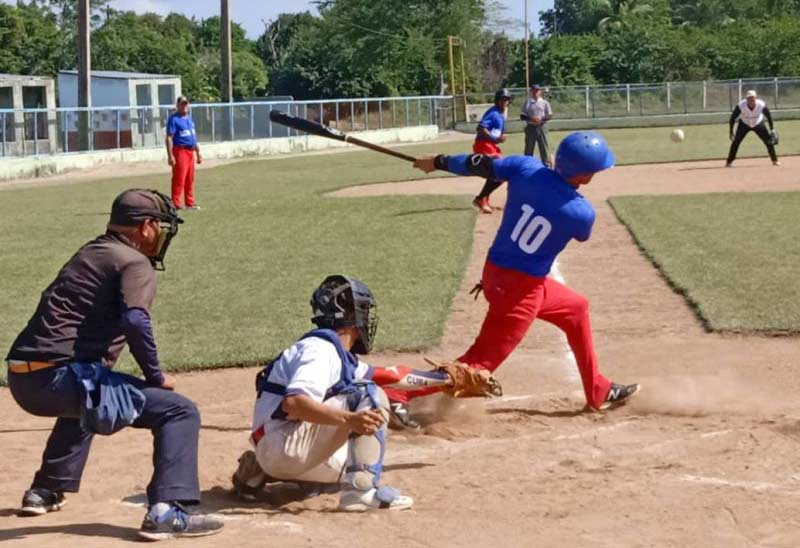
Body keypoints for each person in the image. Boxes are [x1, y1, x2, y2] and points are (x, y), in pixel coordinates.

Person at [5, 189, 223, 541]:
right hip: (57, 380)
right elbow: (136, 321)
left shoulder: (93, 251)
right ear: (146, 227)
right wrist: (155, 376)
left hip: (22, 378)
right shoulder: (134, 262)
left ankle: (45, 491)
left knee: (91, 392)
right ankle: (167, 510)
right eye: (161, 226)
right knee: (179, 411)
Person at [384, 132, 640, 427]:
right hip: (520, 291)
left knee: (576, 308)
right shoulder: (580, 212)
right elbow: (581, 235)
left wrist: (438, 161)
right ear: (585, 175)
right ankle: (397, 393)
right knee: (479, 366)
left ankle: (597, 388)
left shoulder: (524, 167)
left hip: (496, 273)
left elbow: (477, 163)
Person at [232, 275, 480, 510]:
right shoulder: (319, 351)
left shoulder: (333, 353)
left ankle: (258, 472)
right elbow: (294, 403)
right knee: (368, 394)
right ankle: (360, 493)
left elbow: (391, 375)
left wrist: (443, 379)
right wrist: (350, 419)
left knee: (346, 463)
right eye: (363, 310)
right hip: (285, 445)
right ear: (350, 315)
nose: (366, 318)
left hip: (278, 448)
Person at [471, 88, 512, 214]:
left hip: (490, 146)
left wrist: (497, 140)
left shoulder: (500, 114)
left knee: (497, 173)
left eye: (507, 100)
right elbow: (481, 128)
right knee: (500, 171)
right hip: (484, 145)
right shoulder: (493, 113)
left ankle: (484, 199)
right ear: (497, 100)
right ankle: (480, 199)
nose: (505, 102)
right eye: (503, 99)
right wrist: (495, 139)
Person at [166, 95, 202, 210]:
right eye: (182, 104)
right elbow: (169, 138)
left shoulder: (189, 119)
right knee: (179, 178)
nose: (185, 106)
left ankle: (189, 203)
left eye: (186, 104)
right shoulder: (174, 119)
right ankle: (176, 204)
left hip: (190, 151)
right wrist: (170, 155)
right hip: (180, 151)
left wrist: (198, 152)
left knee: (189, 178)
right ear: (177, 105)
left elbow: (193, 137)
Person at [726, 89, 779, 167]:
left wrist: (772, 129)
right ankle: (729, 162)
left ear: (755, 98)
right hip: (744, 123)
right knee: (736, 142)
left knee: (768, 141)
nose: (751, 99)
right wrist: (731, 131)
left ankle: (774, 160)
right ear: (746, 99)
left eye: (752, 98)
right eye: (749, 98)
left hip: (758, 123)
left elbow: (769, 116)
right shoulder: (741, 105)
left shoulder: (761, 105)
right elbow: (733, 118)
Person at [520, 84, 553, 167]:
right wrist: (531, 118)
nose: (535, 92)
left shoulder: (545, 103)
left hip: (542, 127)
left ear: (540, 92)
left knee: (544, 147)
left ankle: (546, 165)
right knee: (529, 148)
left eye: (537, 90)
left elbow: (549, 115)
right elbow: (522, 116)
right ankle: (527, 165)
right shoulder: (527, 103)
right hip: (530, 127)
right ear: (531, 91)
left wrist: (541, 119)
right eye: (534, 90)